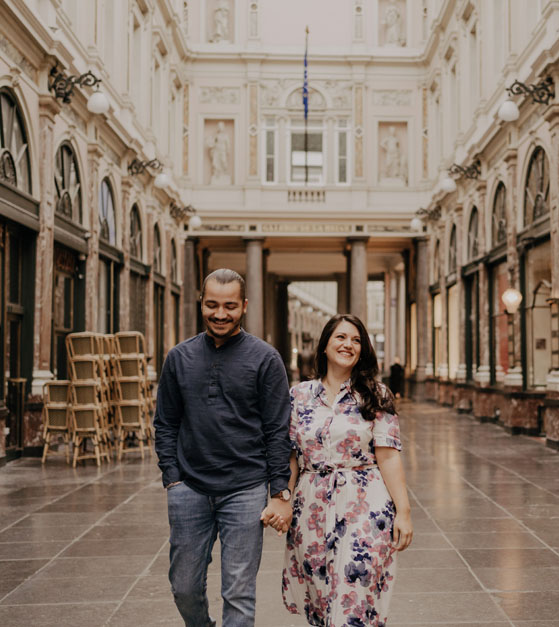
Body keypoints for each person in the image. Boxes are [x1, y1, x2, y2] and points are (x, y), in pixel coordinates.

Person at [154, 268, 293, 627]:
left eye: (229, 306)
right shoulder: (179, 358)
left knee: (239, 593)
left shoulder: (265, 359)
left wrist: (279, 490)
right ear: (201, 303)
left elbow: (278, 430)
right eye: (212, 304)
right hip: (189, 488)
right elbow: (166, 422)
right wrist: (172, 477)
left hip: (245, 489)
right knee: (184, 586)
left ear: (244, 306)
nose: (220, 313)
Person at [282, 314, 413, 626]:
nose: (348, 345)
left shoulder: (376, 395)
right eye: (340, 337)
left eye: (356, 340)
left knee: (354, 598)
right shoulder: (298, 396)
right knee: (321, 598)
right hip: (311, 507)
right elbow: (290, 457)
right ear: (325, 345)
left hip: (364, 505)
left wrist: (404, 512)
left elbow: (389, 456)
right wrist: (284, 500)